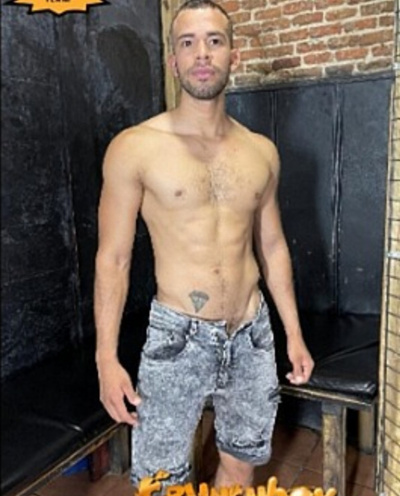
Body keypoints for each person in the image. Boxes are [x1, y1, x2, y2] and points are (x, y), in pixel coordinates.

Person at [94, 0, 314, 490]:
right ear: (173, 61)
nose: (202, 54)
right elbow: (113, 258)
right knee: (161, 481)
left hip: (252, 332)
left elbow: (273, 246)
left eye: (215, 41)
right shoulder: (134, 147)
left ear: (233, 55)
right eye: (188, 43)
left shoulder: (261, 152)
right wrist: (105, 358)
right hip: (178, 337)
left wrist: (293, 333)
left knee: (241, 464)